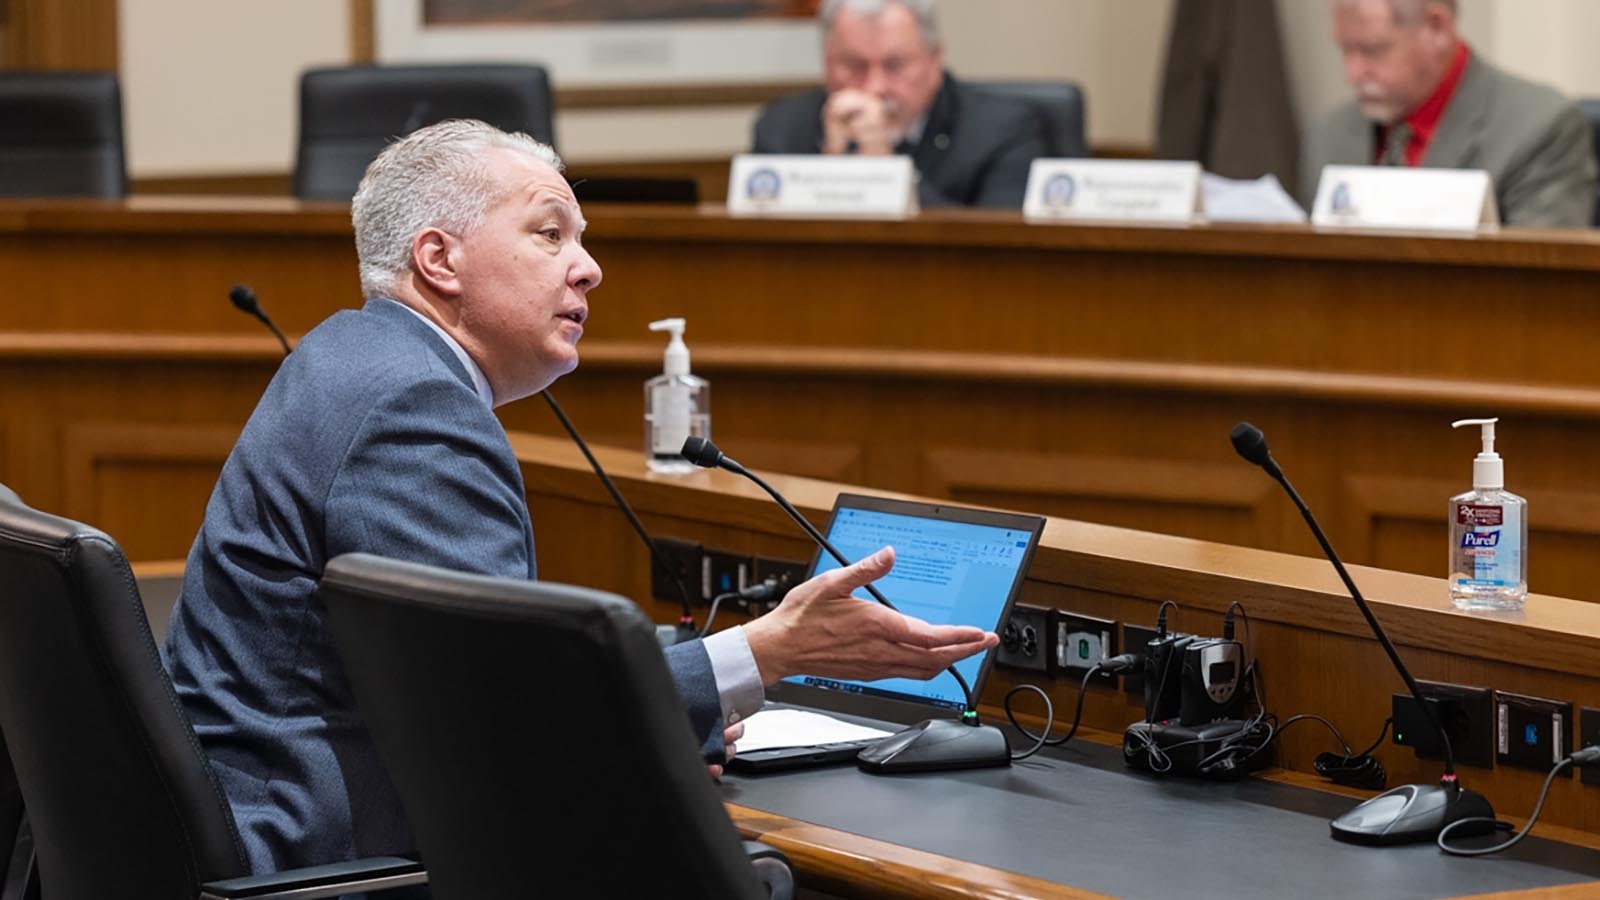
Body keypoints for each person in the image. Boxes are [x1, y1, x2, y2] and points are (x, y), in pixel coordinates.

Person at [161, 119, 998, 873]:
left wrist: (656, 716)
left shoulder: (348, 356)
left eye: (582, 239)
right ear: (438, 259)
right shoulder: (415, 411)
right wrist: (770, 649)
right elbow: (512, 721)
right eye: (548, 233)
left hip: (256, 820)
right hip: (320, 854)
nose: (589, 268)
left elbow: (485, 698)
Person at [1302, 0, 1595, 227]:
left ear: (1437, 27)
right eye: (1345, 50)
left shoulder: (1540, 126)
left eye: (1373, 50)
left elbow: (1541, 284)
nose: (1352, 74)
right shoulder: (1330, 135)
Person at [750, 0, 1046, 208]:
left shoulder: (1002, 130)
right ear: (826, 63)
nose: (875, 87)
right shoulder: (781, 129)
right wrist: (830, 168)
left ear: (934, 60)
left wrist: (887, 174)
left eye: (895, 65)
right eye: (853, 65)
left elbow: (999, 255)